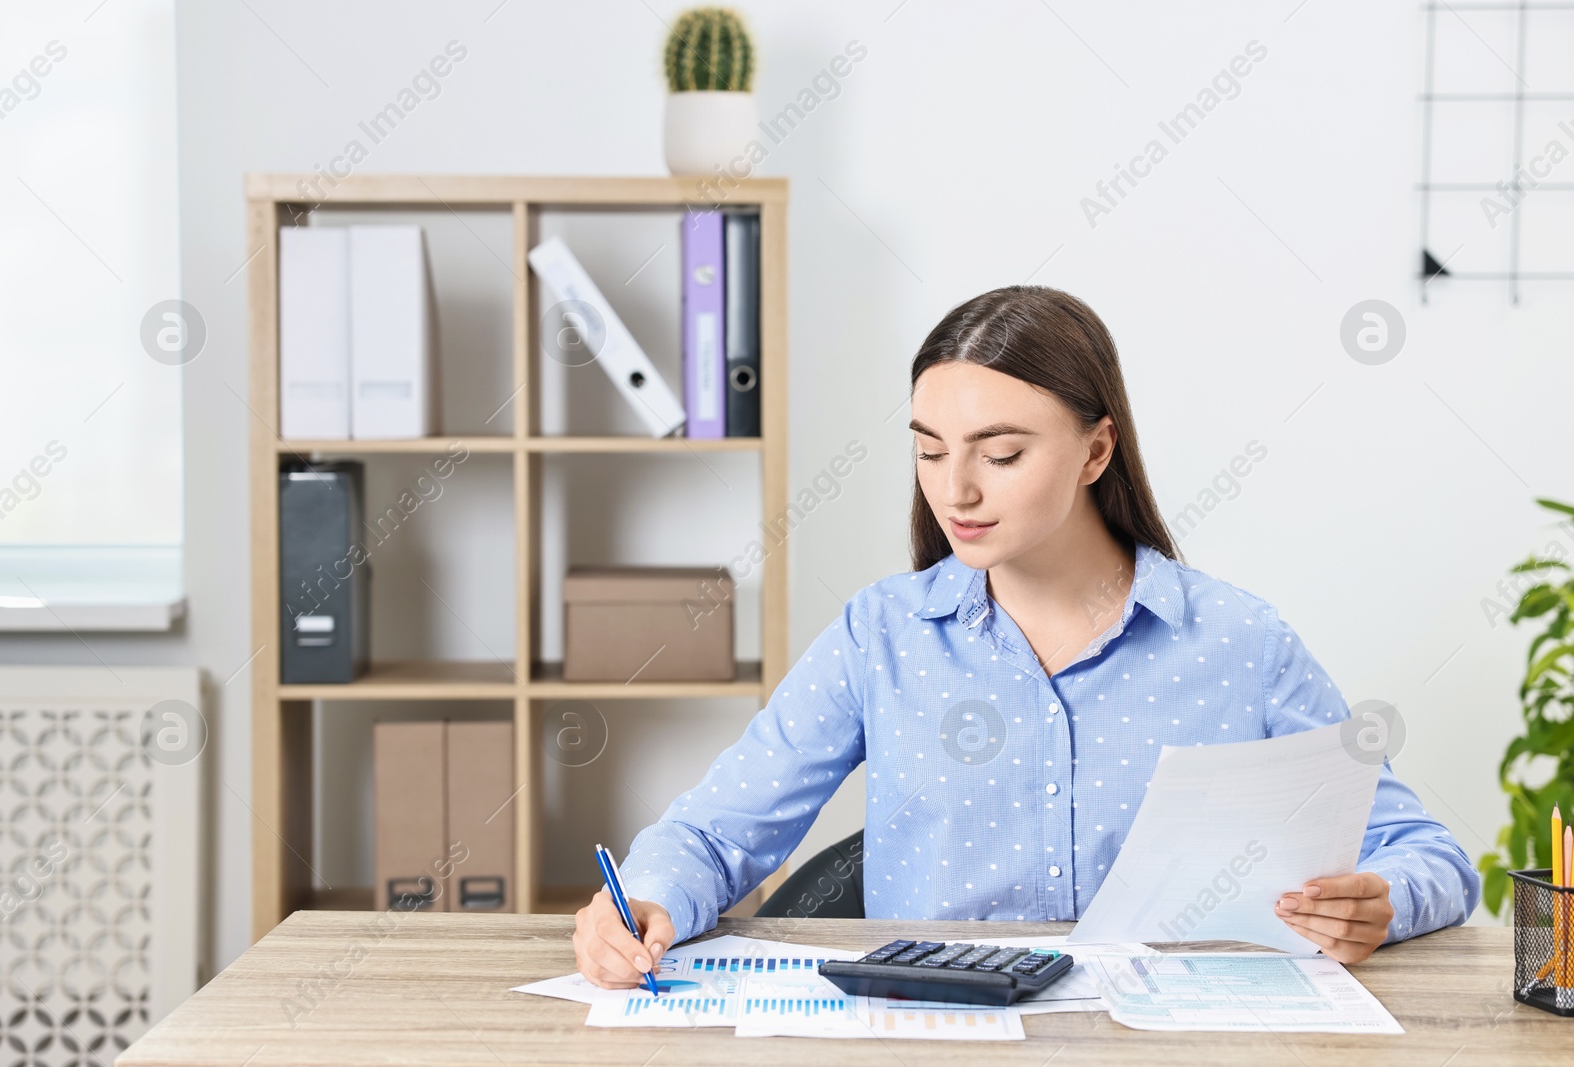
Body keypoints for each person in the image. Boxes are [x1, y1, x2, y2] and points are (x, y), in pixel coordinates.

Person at [572, 286, 1480, 987]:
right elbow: (714, 833)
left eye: (1000, 454)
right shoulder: (881, 635)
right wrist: (645, 899)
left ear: (1096, 451)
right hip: (936, 1036)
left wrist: (1383, 902)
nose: (955, 489)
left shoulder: (1238, 642)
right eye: (930, 450)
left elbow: (1427, 850)